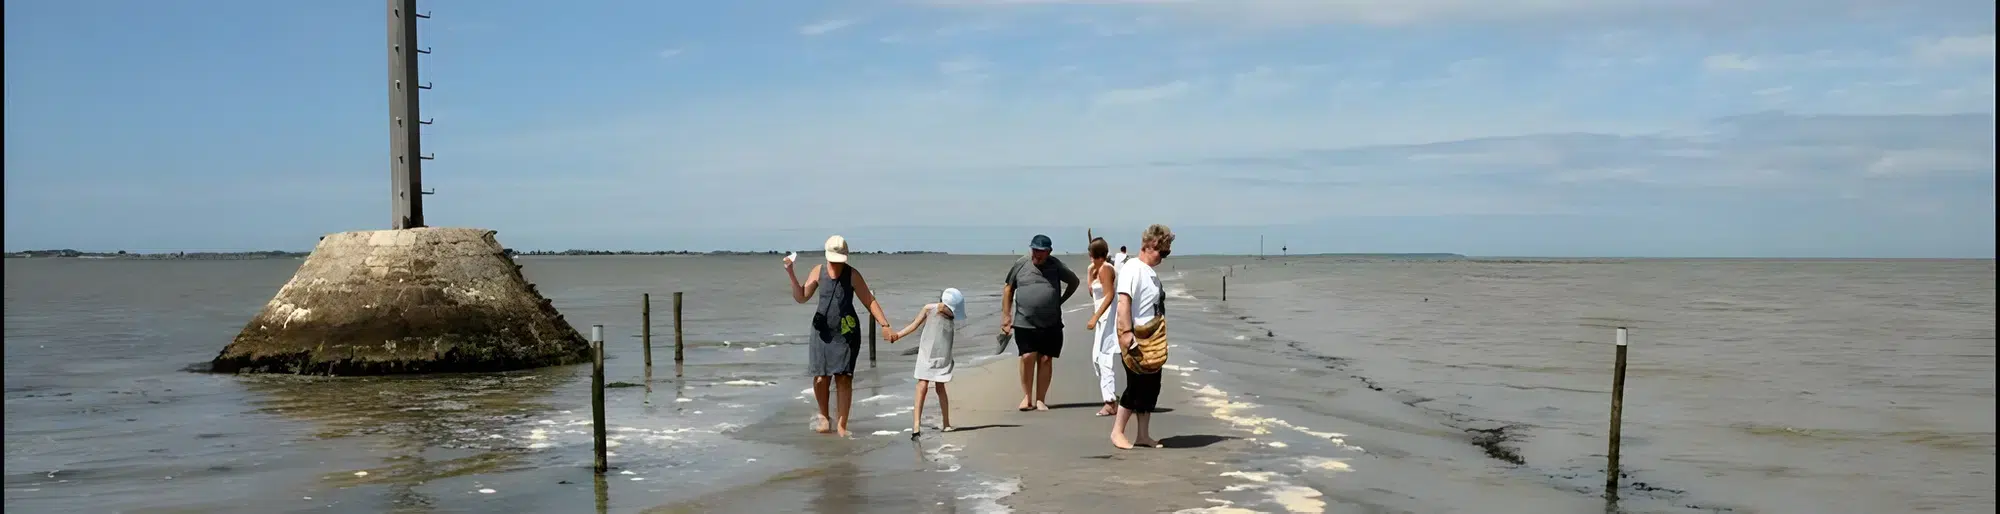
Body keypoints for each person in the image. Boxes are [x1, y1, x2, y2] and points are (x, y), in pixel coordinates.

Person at [784, 235, 893, 438]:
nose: (836, 263)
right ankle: (824, 417)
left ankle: (842, 425)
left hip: (846, 332)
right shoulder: (818, 271)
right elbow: (801, 297)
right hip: (822, 332)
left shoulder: (852, 274)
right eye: (833, 259)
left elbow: (869, 300)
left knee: (844, 377)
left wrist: (884, 324)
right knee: (820, 377)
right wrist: (791, 274)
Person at [999, 234, 1080, 411]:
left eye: (1042, 251)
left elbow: (1074, 281)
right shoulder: (1021, 264)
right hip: (1024, 320)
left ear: (1049, 252)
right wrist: (1006, 316)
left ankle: (1041, 399)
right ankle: (1027, 397)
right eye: (1035, 250)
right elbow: (1008, 288)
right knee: (1027, 357)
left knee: (1045, 359)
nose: (1038, 254)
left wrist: (1060, 300)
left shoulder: (1056, 265)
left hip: (1051, 322)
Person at [1112, 224, 1174, 449]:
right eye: (1162, 251)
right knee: (1135, 387)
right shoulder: (1132, 268)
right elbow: (1123, 302)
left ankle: (1143, 435)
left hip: (1153, 340)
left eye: (1167, 253)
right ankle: (1117, 432)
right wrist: (1127, 333)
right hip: (1136, 338)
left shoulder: (1151, 274)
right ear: (1150, 245)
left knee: (1151, 388)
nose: (1163, 257)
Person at [887, 288, 965, 439]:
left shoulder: (950, 316)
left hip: (942, 354)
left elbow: (946, 338)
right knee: (924, 385)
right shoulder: (930, 309)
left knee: (937, 386)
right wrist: (897, 336)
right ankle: (917, 425)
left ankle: (945, 423)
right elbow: (914, 325)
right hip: (926, 352)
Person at [1083, 237, 1121, 417]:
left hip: (1108, 319)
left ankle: (1110, 402)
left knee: (1103, 358)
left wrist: (1095, 316)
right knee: (1096, 358)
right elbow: (1092, 291)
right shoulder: (1098, 269)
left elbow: (1110, 295)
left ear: (1094, 255)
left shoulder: (1106, 269)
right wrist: (1090, 272)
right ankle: (1111, 395)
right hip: (1101, 320)